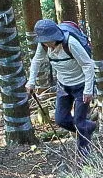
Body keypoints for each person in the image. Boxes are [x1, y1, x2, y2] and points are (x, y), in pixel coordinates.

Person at [26, 18, 96, 155]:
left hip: (81, 86)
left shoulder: (70, 43)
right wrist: (31, 81)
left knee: (79, 121)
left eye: (49, 40)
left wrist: (88, 90)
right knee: (61, 119)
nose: (47, 43)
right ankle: (88, 127)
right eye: (44, 40)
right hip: (63, 85)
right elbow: (36, 61)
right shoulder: (44, 45)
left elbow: (88, 65)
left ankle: (84, 156)